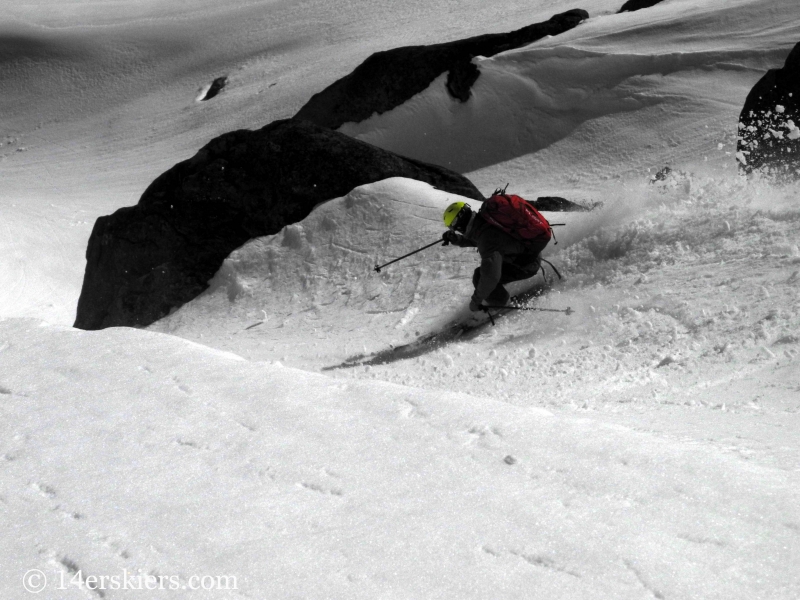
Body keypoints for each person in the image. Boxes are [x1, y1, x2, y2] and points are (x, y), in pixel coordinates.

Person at [442, 201, 542, 312]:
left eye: (453, 227)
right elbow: (482, 239)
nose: (455, 230)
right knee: (484, 274)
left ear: (459, 224)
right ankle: (501, 299)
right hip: (530, 255)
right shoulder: (484, 221)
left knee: (480, 277)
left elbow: (490, 277)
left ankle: (505, 305)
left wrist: (476, 301)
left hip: (527, 265)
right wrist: (458, 240)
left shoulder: (486, 237)